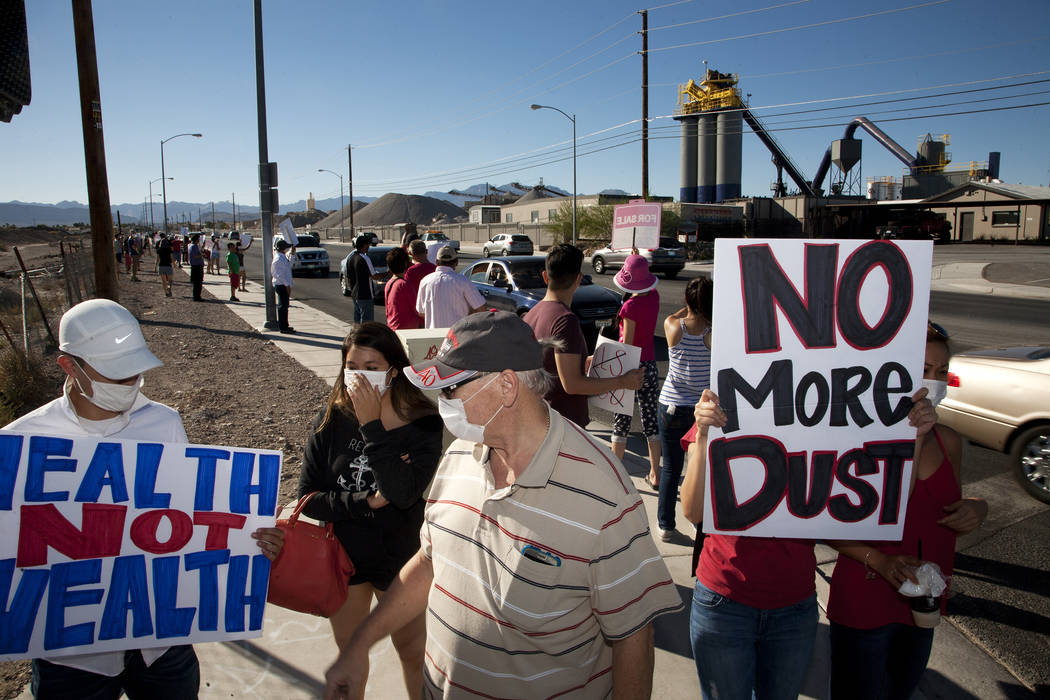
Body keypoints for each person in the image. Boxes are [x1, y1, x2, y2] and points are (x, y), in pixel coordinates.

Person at [323, 311, 683, 700]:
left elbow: (633, 636)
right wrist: (361, 643)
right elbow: (430, 560)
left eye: (450, 388)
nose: (442, 402)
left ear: (507, 386)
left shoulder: (605, 493)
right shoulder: (459, 455)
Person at [1, 298, 283, 700]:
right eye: (116, 373)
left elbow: (186, 520)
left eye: (135, 370)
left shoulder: (163, 423)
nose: (130, 382)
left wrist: (250, 539)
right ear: (69, 366)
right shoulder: (20, 444)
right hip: (71, 659)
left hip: (160, 645)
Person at [680, 384, 937, 700]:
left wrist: (915, 436)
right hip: (724, 603)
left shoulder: (826, 414)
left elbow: (886, 502)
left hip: (793, 609)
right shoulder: (724, 407)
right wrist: (704, 436)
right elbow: (692, 511)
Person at [826, 322, 988, 700]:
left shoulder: (949, 441)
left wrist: (977, 509)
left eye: (942, 371)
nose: (934, 380)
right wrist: (880, 561)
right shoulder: (857, 438)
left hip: (923, 601)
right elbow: (837, 523)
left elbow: (947, 506)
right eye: (924, 369)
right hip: (865, 600)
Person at [298, 322, 442, 699]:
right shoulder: (331, 419)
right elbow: (308, 497)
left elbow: (402, 494)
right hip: (344, 557)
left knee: (412, 651)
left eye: (371, 367)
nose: (360, 376)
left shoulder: (423, 423)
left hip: (400, 561)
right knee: (350, 654)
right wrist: (367, 501)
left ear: (394, 371)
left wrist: (372, 426)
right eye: (352, 366)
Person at [523, 243, 642, 428]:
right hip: (563, 426)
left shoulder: (531, 314)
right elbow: (572, 384)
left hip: (538, 418)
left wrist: (582, 361)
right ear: (578, 279)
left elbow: (548, 364)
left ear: (545, 277)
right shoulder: (565, 320)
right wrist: (623, 381)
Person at [655, 276, 712, 541]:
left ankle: (666, 525)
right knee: (698, 468)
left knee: (670, 468)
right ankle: (698, 520)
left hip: (671, 405)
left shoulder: (673, 326)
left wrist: (686, 308)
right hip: (700, 411)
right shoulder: (713, 333)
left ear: (687, 300)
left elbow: (676, 316)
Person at [609, 253, 662, 491]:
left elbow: (627, 345)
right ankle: (655, 474)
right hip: (649, 365)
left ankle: (616, 477)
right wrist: (636, 261)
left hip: (631, 368)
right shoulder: (654, 297)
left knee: (621, 423)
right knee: (650, 421)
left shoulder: (629, 307)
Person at [415, 245, 485, 329]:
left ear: (436, 262)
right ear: (456, 262)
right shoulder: (463, 281)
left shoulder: (425, 281)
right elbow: (481, 309)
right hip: (457, 333)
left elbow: (421, 312)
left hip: (433, 334)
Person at [346, 234, 385, 322]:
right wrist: (387, 273)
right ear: (364, 245)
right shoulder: (365, 258)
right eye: (368, 244)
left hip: (355, 295)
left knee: (357, 320)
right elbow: (374, 276)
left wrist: (352, 291)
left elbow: (349, 278)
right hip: (365, 295)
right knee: (367, 322)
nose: (369, 247)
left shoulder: (351, 258)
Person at [382, 247, 421, 330]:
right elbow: (417, 309)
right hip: (406, 330)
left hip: (392, 327)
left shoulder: (389, 283)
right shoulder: (404, 284)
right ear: (405, 264)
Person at [271, 239, 294, 333]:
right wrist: (287, 285)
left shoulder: (282, 257)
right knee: (282, 306)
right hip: (281, 285)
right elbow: (280, 275)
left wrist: (292, 255)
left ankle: (285, 325)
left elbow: (288, 266)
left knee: (285, 306)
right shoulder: (278, 259)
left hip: (283, 284)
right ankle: (283, 327)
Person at [401, 239, 434, 304]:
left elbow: (407, 293)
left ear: (410, 253)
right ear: (426, 251)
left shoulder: (411, 272)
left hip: (416, 307)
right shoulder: (435, 269)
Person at [156, 233, 174, 297]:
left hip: (161, 266)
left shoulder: (159, 250)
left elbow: (157, 259)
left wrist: (155, 266)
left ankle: (166, 293)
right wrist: (174, 264)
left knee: (164, 281)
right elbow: (172, 258)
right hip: (168, 265)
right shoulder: (169, 250)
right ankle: (169, 288)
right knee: (170, 280)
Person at [188, 233, 205, 301]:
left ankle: (197, 296)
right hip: (197, 266)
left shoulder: (192, 246)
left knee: (197, 283)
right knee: (198, 283)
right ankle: (197, 296)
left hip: (196, 266)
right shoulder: (194, 246)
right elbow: (195, 256)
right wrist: (202, 255)